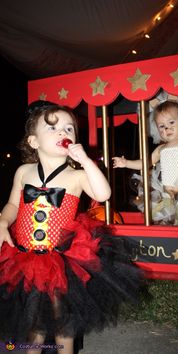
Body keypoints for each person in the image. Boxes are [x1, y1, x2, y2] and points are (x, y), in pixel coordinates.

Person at [0, 101, 141, 354]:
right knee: (34, 320)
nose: (63, 133)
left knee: (63, 318)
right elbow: (12, 204)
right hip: (25, 258)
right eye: (53, 128)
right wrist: (2, 220)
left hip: (62, 259)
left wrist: (86, 161)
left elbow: (103, 192)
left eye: (69, 129)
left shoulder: (76, 175)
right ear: (33, 142)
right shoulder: (23, 172)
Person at [113, 100, 178, 225]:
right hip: (166, 196)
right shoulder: (161, 149)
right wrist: (126, 163)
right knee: (166, 221)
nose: (167, 128)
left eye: (171, 122)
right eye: (161, 126)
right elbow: (145, 162)